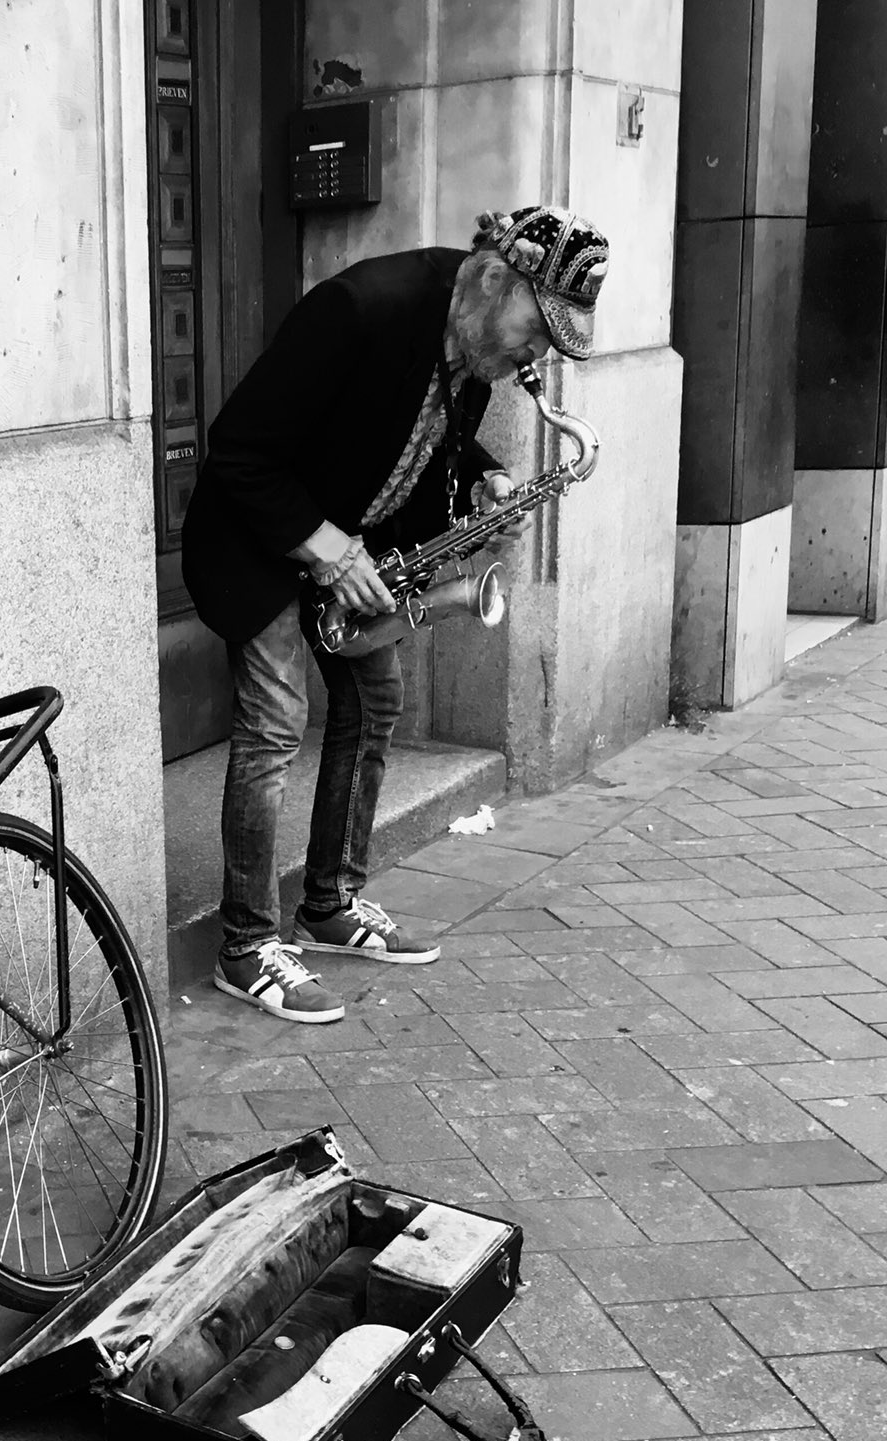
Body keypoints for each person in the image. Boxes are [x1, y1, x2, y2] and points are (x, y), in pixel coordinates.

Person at [182, 206, 609, 1023]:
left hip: (353, 545)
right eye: (537, 330)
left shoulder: (475, 346)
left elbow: (415, 435)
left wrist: (480, 477)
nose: (537, 356)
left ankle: (330, 903)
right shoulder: (357, 309)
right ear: (493, 278)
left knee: (376, 702)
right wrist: (328, 553)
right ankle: (245, 946)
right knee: (276, 722)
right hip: (265, 537)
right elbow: (239, 449)